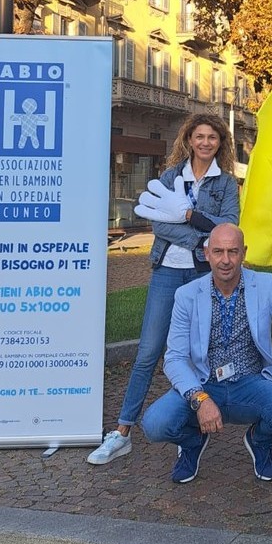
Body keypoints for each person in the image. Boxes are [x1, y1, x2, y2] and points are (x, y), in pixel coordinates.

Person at [140, 224, 272, 483]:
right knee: (154, 424)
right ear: (206, 254)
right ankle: (193, 441)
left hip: (249, 384)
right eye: (218, 251)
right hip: (204, 383)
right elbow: (174, 358)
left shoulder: (265, 285)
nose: (226, 260)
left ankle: (259, 441)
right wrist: (200, 399)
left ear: (244, 252)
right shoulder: (187, 295)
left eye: (233, 251)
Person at [87, 114, 239, 465]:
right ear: (188, 140)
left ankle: (190, 428)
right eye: (199, 136)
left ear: (220, 143)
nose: (204, 143)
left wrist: (187, 217)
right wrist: (202, 236)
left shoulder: (226, 183)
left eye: (211, 137)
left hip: (204, 276)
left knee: (200, 353)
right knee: (148, 352)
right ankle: (122, 431)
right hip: (168, 273)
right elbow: (159, 225)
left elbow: (229, 226)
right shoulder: (171, 177)